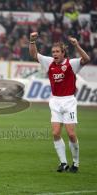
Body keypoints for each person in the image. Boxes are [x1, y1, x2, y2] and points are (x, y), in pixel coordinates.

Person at [29, 32, 90, 173]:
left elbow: (86, 59)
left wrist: (77, 45)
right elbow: (34, 55)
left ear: (63, 53)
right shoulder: (49, 62)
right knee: (56, 133)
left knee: (71, 134)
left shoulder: (72, 64)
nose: (55, 54)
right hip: (55, 101)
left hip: (69, 101)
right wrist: (32, 41)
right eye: (53, 52)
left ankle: (75, 163)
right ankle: (63, 163)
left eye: (57, 52)